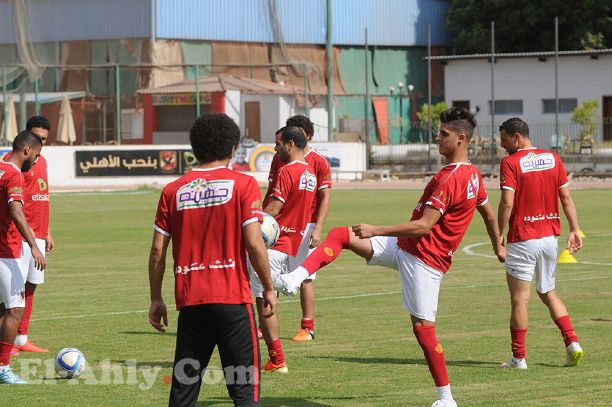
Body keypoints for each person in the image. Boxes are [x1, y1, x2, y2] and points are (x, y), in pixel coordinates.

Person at [277, 107, 505, 407]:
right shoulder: (473, 174)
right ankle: (295, 277)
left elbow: (424, 226)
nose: (437, 137)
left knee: (423, 331)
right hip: (404, 247)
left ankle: (446, 398)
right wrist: (498, 246)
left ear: (461, 139)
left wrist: (376, 229)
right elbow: (488, 214)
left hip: (425, 260)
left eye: (444, 134)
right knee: (342, 235)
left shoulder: (450, 179)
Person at [148, 113, 278, 406]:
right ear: (232, 148)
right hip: (232, 300)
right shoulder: (243, 184)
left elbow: (157, 252)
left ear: (194, 148)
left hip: (190, 303)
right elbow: (254, 243)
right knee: (244, 391)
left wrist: (156, 298)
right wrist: (269, 287)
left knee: (183, 392)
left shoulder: (172, 191)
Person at [497, 117, 584, 369]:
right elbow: (566, 198)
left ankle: (519, 358)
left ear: (516, 137)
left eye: (504, 139)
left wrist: (499, 234)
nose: (502, 145)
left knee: (519, 299)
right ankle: (572, 343)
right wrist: (574, 229)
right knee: (548, 292)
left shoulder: (510, 162)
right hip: (549, 239)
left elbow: (507, 202)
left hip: (523, 239)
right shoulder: (553, 158)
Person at [251, 126, 317, 373]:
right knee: (265, 293)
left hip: (272, 243)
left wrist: (250, 220)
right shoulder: (310, 173)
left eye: (278, 143)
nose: (275, 148)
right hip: (291, 242)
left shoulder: (286, 170)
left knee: (264, 299)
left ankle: (277, 359)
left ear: (290, 144)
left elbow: (274, 208)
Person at [264, 115, 332, 342]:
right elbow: (272, 192)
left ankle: (307, 327)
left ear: (306, 135)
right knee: (269, 273)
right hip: (277, 223)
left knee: (305, 275)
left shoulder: (318, 162)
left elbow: (325, 197)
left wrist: (318, 228)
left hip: (306, 224)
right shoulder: (280, 158)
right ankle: (266, 324)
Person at [0, 130, 46, 384]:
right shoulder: (14, 174)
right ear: (27, 150)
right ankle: (3, 367)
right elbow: (16, 211)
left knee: (2, 308)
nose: (36, 161)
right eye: (35, 156)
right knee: (15, 309)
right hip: (6, 252)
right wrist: (34, 246)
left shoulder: (0, 168)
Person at [11, 116, 53, 354]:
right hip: (21, 234)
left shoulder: (42, 160)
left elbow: (43, 196)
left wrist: (47, 232)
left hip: (39, 234)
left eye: (44, 139)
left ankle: (21, 338)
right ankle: (6, 339)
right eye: (37, 138)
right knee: (12, 290)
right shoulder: (16, 162)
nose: (41, 143)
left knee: (31, 286)